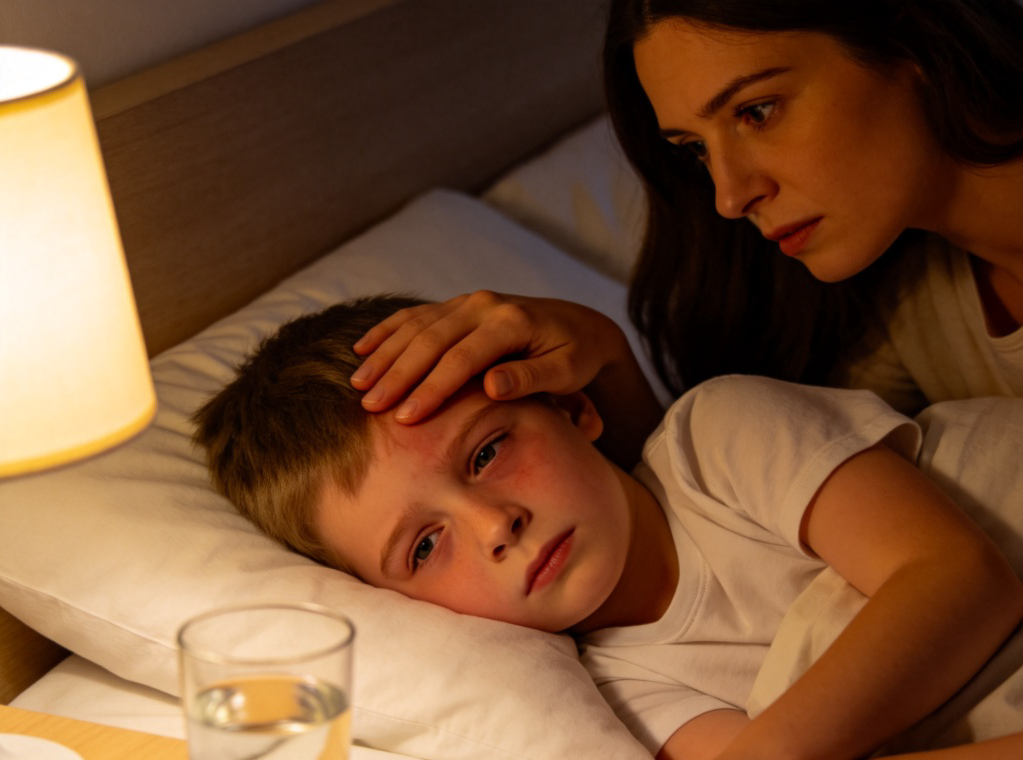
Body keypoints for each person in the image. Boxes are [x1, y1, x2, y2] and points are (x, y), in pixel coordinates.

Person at [193, 295, 1023, 760]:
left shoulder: (717, 435)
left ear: (573, 407)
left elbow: (956, 578)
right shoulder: (621, 701)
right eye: (424, 545)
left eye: (485, 455)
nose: (494, 525)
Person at [347, 0, 1023, 461]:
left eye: (757, 111)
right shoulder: (906, 309)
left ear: (911, 44)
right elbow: (780, 496)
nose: (729, 196)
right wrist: (609, 363)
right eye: (693, 149)